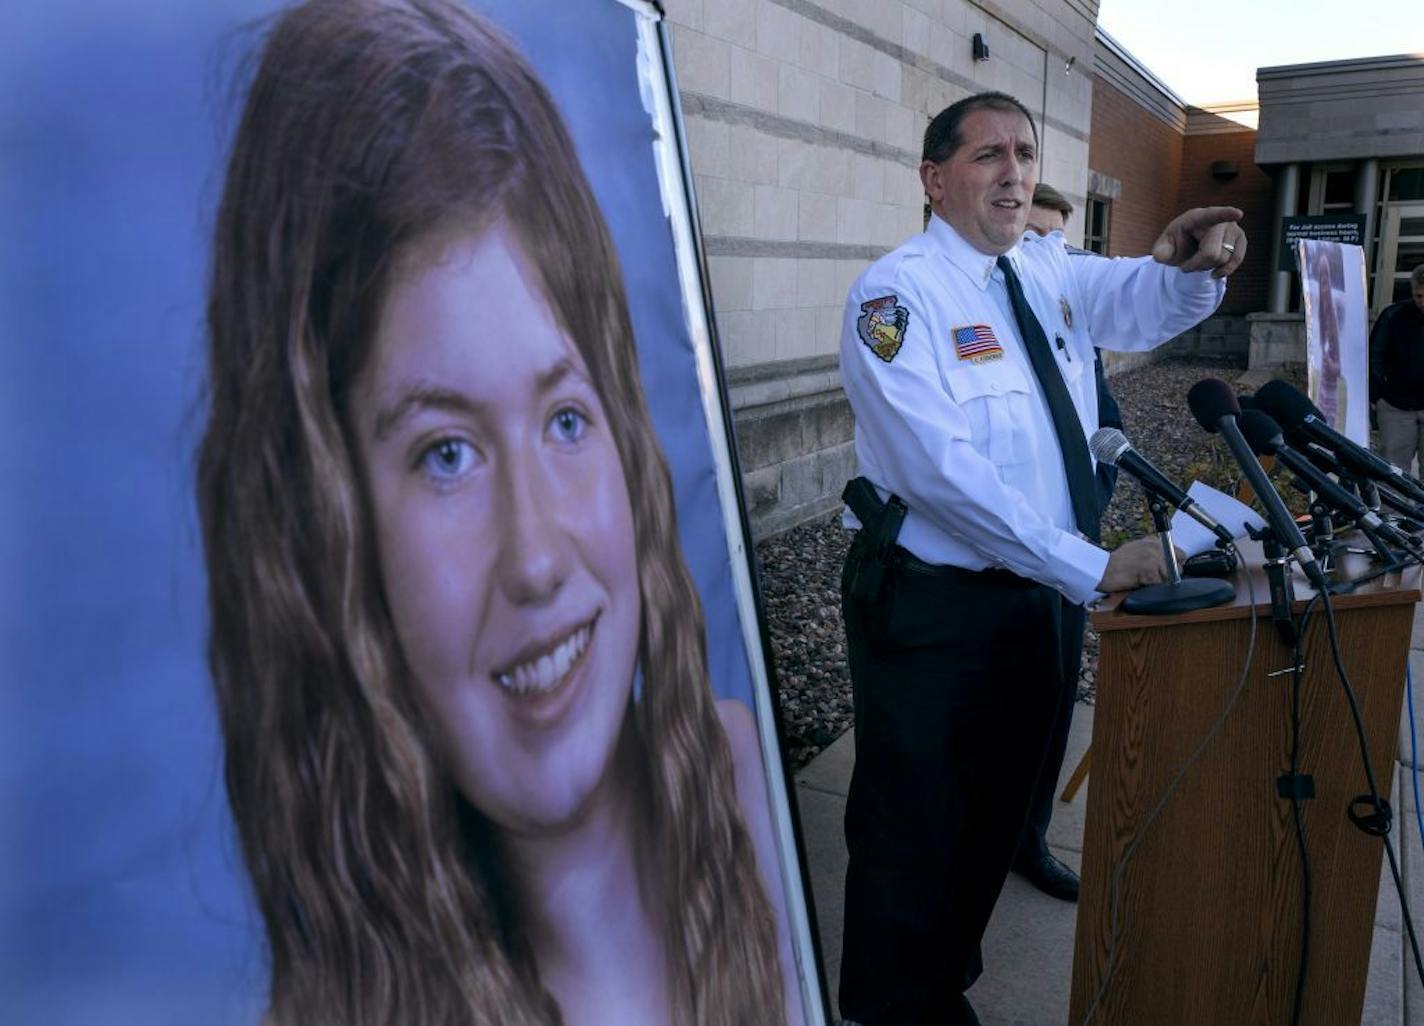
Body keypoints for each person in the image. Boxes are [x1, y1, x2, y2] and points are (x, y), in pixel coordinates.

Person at [195, 2, 800, 1024]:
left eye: (566, 419)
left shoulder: (738, 791)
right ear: (325, 535)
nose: (536, 557)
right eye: (446, 453)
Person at [836, 91, 1245, 1026]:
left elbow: (1140, 303)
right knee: (916, 826)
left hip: (1038, 597)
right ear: (935, 180)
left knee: (997, 818)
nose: (1013, 171)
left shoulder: (1045, 267)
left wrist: (1191, 264)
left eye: (1023, 152)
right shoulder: (897, 298)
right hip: (936, 609)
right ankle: (894, 1006)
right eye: (987, 156)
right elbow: (939, 475)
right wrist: (1091, 565)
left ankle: (945, 984)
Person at [1008, 181, 1124, 902]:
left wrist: (1086, 519)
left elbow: (1105, 431)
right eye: (1032, 237)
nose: (1046, 252)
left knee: (1050, 709)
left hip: (1067, 558)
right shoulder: (949, 318)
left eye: (1057, 239)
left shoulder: (1070, 325)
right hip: (990, 561)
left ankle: (1029, 839)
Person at [1369, 265, 1424, 474]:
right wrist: (1379, 395)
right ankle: (1391, 508)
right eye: (1419, 296)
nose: (1422, 302)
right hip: (1395, 405)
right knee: (1393, 471)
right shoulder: (1394, 316)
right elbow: (1375, 355)